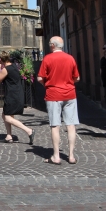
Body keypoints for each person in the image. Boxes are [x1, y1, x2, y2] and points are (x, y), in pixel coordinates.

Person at [38, 36, 80, 165]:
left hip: (53, 95)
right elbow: (77, 78)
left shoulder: (47, 59)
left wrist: (49, 85)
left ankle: (56, 156)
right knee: (71, 125)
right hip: (70, 94)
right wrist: (67, 84)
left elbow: (40, 78)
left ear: (52, 45)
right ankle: (71, 156)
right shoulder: (70, 58)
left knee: (55, 125)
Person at [0, 51, 34, 144]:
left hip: (12, 95)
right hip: (16, 93)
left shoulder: (6, 69)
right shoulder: (13, 66)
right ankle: (9, 136)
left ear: (1, 60)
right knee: (6, 114)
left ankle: (29, 131)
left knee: (7, 117)